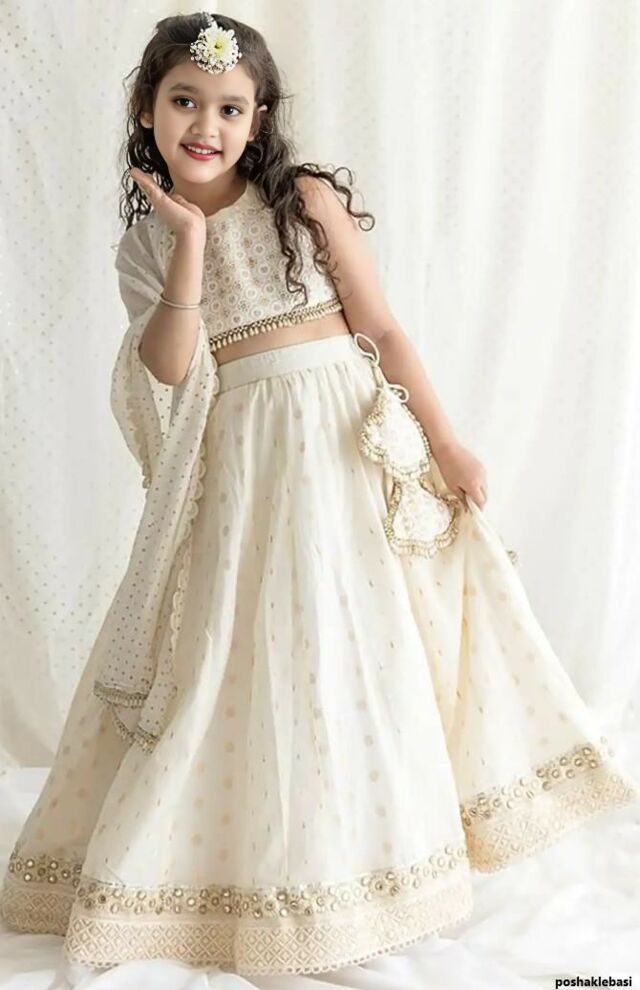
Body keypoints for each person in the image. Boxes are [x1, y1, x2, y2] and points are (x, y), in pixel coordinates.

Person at [0, 10, 637, 978]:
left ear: (258, 120)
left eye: (230, 108)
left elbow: (382, 328)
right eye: (184, 101)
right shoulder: (147, 245)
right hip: (246, 465)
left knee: (354, 639)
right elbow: (169, 367)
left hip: (341, 445)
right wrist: (185, 242)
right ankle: (243, 863)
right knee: (244, 647)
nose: (206, 124)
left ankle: (374, 865)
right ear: (146, 109)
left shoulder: (299, 201)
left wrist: (447, 442)